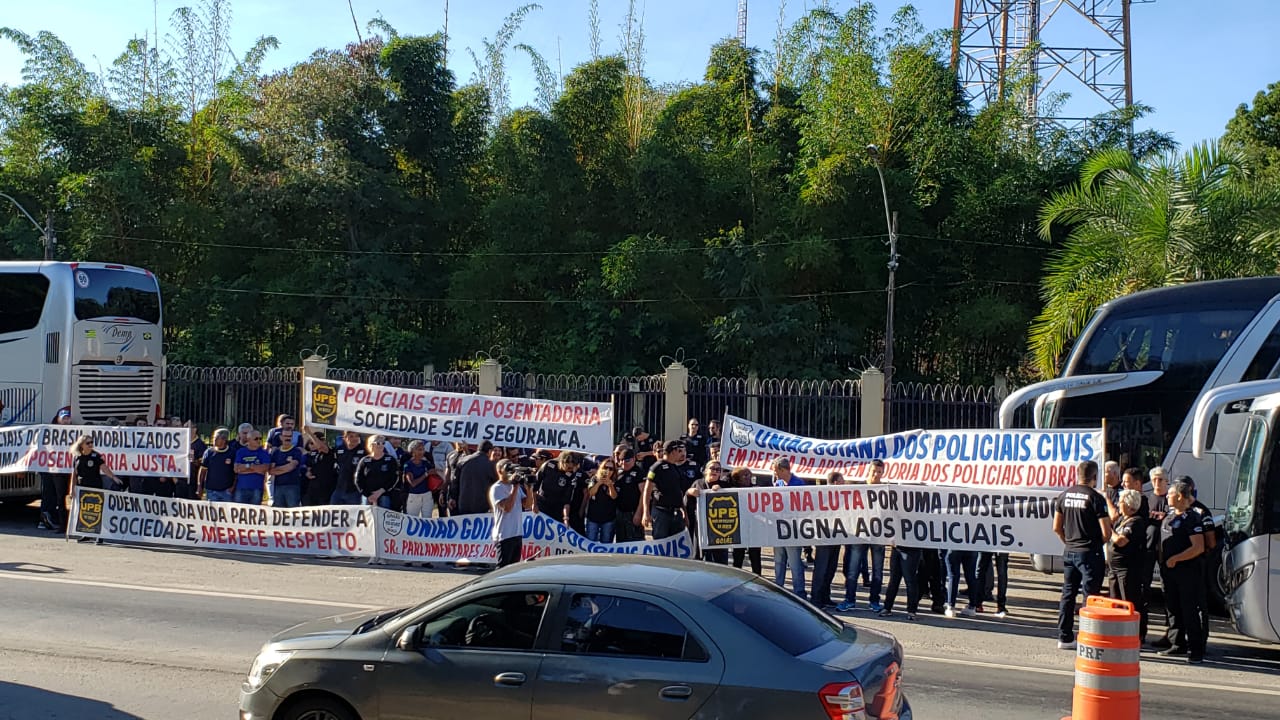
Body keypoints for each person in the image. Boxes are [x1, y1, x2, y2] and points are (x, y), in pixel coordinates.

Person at [1053, 459, 1113, 650]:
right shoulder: (1096, 498)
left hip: (1070, 551)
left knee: (1068, 594)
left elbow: (1056, 527)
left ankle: (1064, 637)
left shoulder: (1064, 495)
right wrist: (1096, 545)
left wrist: (1069, 542)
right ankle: (1088, 636)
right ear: (1095, 477)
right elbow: (1107, 532)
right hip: (1090, 552)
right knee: (1090, 596)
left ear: (1077, 475)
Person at [1158, 479, 1207, 663]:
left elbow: (1198, 547)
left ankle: (1196, 650)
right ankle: (1177, 643)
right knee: (1173, 608)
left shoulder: (1192, 518)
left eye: (1170, 494)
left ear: (1179, 496)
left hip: (1186, 572)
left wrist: (1176, 558)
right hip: (1168, 572)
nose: (1167, 497)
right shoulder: (1169, 515)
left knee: (1189, 610)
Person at [840, 460, 886, 613]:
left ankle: (874, 601)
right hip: (859, 534)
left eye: (879, 472)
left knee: (877, 571)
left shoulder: (886, 490)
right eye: (874, 471)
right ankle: (849, 600)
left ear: (883, 473)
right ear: (868, 471)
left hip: (878, 536)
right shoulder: (858, 488)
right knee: (853, 569)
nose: (876, 475)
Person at [1108, 488, 1150, 642]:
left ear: (1129, 505)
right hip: (1114, 569)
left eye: (1121, 502)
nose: (1118, 504)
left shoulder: (1136, 522)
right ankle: (1119, 632)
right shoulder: (1121, 519)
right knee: (1116, 602)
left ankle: (1137, 634)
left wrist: (1109, 530)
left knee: (1130, 602)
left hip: (1128, 569)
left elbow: (1121, 541)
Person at [69, 434, 119, 544]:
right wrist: (71, 489)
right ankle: (86, 534)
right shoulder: (77, 457)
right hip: (82, 487)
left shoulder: (96, 456)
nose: (90, 444)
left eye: (92, 442)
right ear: (81, 445)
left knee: (97, 511)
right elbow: (74, 474)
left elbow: (104, 468)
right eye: (88, 443)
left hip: (95, 486)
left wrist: (113, 477)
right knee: (84, 511)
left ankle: (99, 536)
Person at [642, 441, 698, 540]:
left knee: (677, 541)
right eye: (679, 451)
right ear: (673, 452)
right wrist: (646, 512)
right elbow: (647, 490)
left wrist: (684, 513)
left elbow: (678, 492)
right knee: (660, 541)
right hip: (661, 512)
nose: (680, 454)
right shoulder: (656, 467)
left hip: (676, 512)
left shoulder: (675, 467)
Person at [770, 457, 808, 600]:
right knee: (779, 561)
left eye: (775, 471)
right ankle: (779, 589)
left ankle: (800, 592)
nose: (774, 474)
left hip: (793, 529)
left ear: (783, 470)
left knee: (794, 562)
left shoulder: (799, 484)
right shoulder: (778, 483)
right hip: (779, 528)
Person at [810, 470, 846, 610]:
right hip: (824, 538)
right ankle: (816, 599)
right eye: (842, 481)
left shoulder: (842, 496)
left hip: (836, 536)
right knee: (821, 569)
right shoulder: (822, 495)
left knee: (831, 568)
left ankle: (825, 596)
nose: (844, 483)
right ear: (836, 482)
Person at [490, 459, 535, 567]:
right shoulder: (497, 488)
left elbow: (527, 505)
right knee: (502, 568)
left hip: (517, 533)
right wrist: (514, 487)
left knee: (513, 568)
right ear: (500, 471)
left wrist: (529, 489)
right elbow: (507, 508)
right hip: (504, 535)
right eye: (508, 469)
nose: (511, 472)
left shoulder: (516, 487)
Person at [38, 408, 74, 531]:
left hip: (64, 469)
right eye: (64, 418)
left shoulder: (74, 431)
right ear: (58, 419)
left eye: (68, 418)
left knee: (61, 495)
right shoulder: (49, 431)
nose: (66, 421)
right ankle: (45, 520)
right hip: (50, 469)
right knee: (50, 494)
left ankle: (59, 520)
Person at [686, 461, 728, 563]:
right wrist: (689, 492)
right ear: (705, 471)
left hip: (719, 527)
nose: (715, 471)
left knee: (719, 559)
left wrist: (722, 491)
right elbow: (687, 504)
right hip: (701, 525)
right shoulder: (698, 483)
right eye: (712, 468)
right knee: (697, 555)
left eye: (718, 470)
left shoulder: (724, 485)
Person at [727, 468, 763, 573]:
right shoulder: (732, 490)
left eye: (749, 475)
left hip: (754, 527)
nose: (748, 477)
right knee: (738, 555)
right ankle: (736, 578)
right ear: (737, 478)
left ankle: (758, 577)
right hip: (739, 527)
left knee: (755, 556)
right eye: (745, 475)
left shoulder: (756, 489)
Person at [535, 451, 585, 527]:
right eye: (569, 468)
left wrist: (566, 518)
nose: (570, 470)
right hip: (542, 504)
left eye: (572, 468)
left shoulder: (572, 475)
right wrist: (534, 504)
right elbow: (535, 485)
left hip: (557, 509)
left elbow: (567, 500)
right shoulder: (549, 465)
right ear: (563, 462)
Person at [455, 441, 502, 516]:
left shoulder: (463, 460)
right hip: (482, 507)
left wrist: (452, 497)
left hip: (463, 504)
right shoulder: (491, 465)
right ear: (490, 451)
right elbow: (498, 484)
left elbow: (455, 481)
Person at [354, 435, 400, 509]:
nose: (381, 445)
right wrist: (368, 494)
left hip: (384, 495)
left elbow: (394, 478)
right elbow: (358, 479)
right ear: (371, 445)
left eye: (383, 443)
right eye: (378, 443)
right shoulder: (364, 460)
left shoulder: (391, 460)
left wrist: (381, 491)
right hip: (367, 496)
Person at [612, 445, 645, 542]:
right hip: (619, 513)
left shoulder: (639, 472)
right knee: (620, 542)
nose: (624, 463)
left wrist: (639, 513)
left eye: (627, 460)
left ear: (633, 459)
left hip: (633, 513)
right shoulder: (618, 472)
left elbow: (644, 494)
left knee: (635, 541)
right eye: (621, 460)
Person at [583, 460, 620, 543]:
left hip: (608, 518)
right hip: (593, 517)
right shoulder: (594, 478)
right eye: (606, 467)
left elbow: (614, 496)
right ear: (601, 468)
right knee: (590, 542)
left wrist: (610, 485)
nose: (608, 470)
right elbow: (591, 493)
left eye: (611, 469)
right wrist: (599, 483)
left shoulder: (615, 481)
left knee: (606, 543)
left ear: (614, 471)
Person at [268, 429, 306, 508]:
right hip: (278, 487)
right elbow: (271, 471)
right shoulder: (276, 452)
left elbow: (291, 467)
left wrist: (278, 469)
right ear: (281, 437)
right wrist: (286, 467)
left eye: (290, 436)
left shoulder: (296, 451)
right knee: (279, 510)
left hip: (292, 486)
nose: (288, 438)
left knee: (293, 510)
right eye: (285, 436)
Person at [232, 431, 271, 505]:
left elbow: (264, 469)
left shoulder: (264, 453)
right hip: (241, 487)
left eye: (260, 438)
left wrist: (245, 468)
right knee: (240, 509)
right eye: (256, 439)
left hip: (257, 488)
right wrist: (252, 467)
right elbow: (236, 469)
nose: (259, 440)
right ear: (248, 439)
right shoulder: (241, 452)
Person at [198, 428, 237, 502]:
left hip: (226, 491)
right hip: (211, 491)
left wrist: (233, 487)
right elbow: (203, 470)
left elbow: (236, 472)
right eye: (213, 438)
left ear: (224, 439)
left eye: (216, 438)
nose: (213, 440)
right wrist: (199, 486)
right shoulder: (209, 452)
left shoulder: (232, 453)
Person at [402, 440, 437, 519]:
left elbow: (434, 473)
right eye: (419, 449)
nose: (422, 452)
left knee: (427, 519)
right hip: (414, 495)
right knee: (412, 519)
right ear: (413, 451)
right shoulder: (408, 464)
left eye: (423, 449)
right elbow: (413, 483)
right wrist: (426, 474)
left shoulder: (426, 463)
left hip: (427, 495)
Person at [331, 430, 367, 505]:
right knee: (333, 510)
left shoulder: (364, 450)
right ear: (345, 438)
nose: (354, 439)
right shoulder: (339, 450)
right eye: (351, 436)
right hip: (339, 489)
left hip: (355, 491)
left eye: (357, 436)